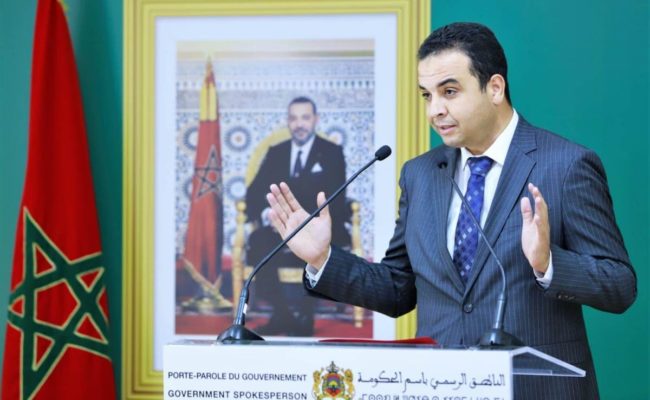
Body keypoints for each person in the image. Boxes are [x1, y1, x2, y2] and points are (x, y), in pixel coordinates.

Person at [264, 23, 637, 398]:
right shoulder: (420, 175)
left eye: (450, 92)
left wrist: (548, 264)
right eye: (427, 95)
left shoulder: (565, 165)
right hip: (441, 388)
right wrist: (323, 259)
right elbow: (398, 288)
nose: (435, 110)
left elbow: (619, 285)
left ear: (495, 88)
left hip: (536, 389)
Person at [245, 96, 350, 336]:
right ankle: (282, 314)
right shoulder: (276, 152)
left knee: (317, 245)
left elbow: (337, 197)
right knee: (257, 242)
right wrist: (269, 214)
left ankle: (305, 315)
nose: (299, 124)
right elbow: (253, 193)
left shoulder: (332, 152)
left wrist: (307, 223)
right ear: (288, 121)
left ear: (315, 120)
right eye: (293, 118)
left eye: (305, 117)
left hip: (318, 226)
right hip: (280, 227)